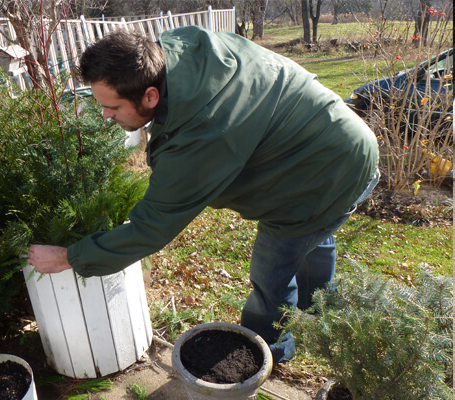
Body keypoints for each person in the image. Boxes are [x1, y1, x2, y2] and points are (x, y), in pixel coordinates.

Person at [27, 26, 379, 363]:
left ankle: (266, 354)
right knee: (316, 237)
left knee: (272, 273)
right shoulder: (186, 49)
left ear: (150, 95)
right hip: (345, 138)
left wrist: (68, 257)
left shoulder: (203, 135)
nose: (104, 115)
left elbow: (151, 227)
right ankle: (319, 315)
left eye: (113, 107)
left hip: (324, 175)